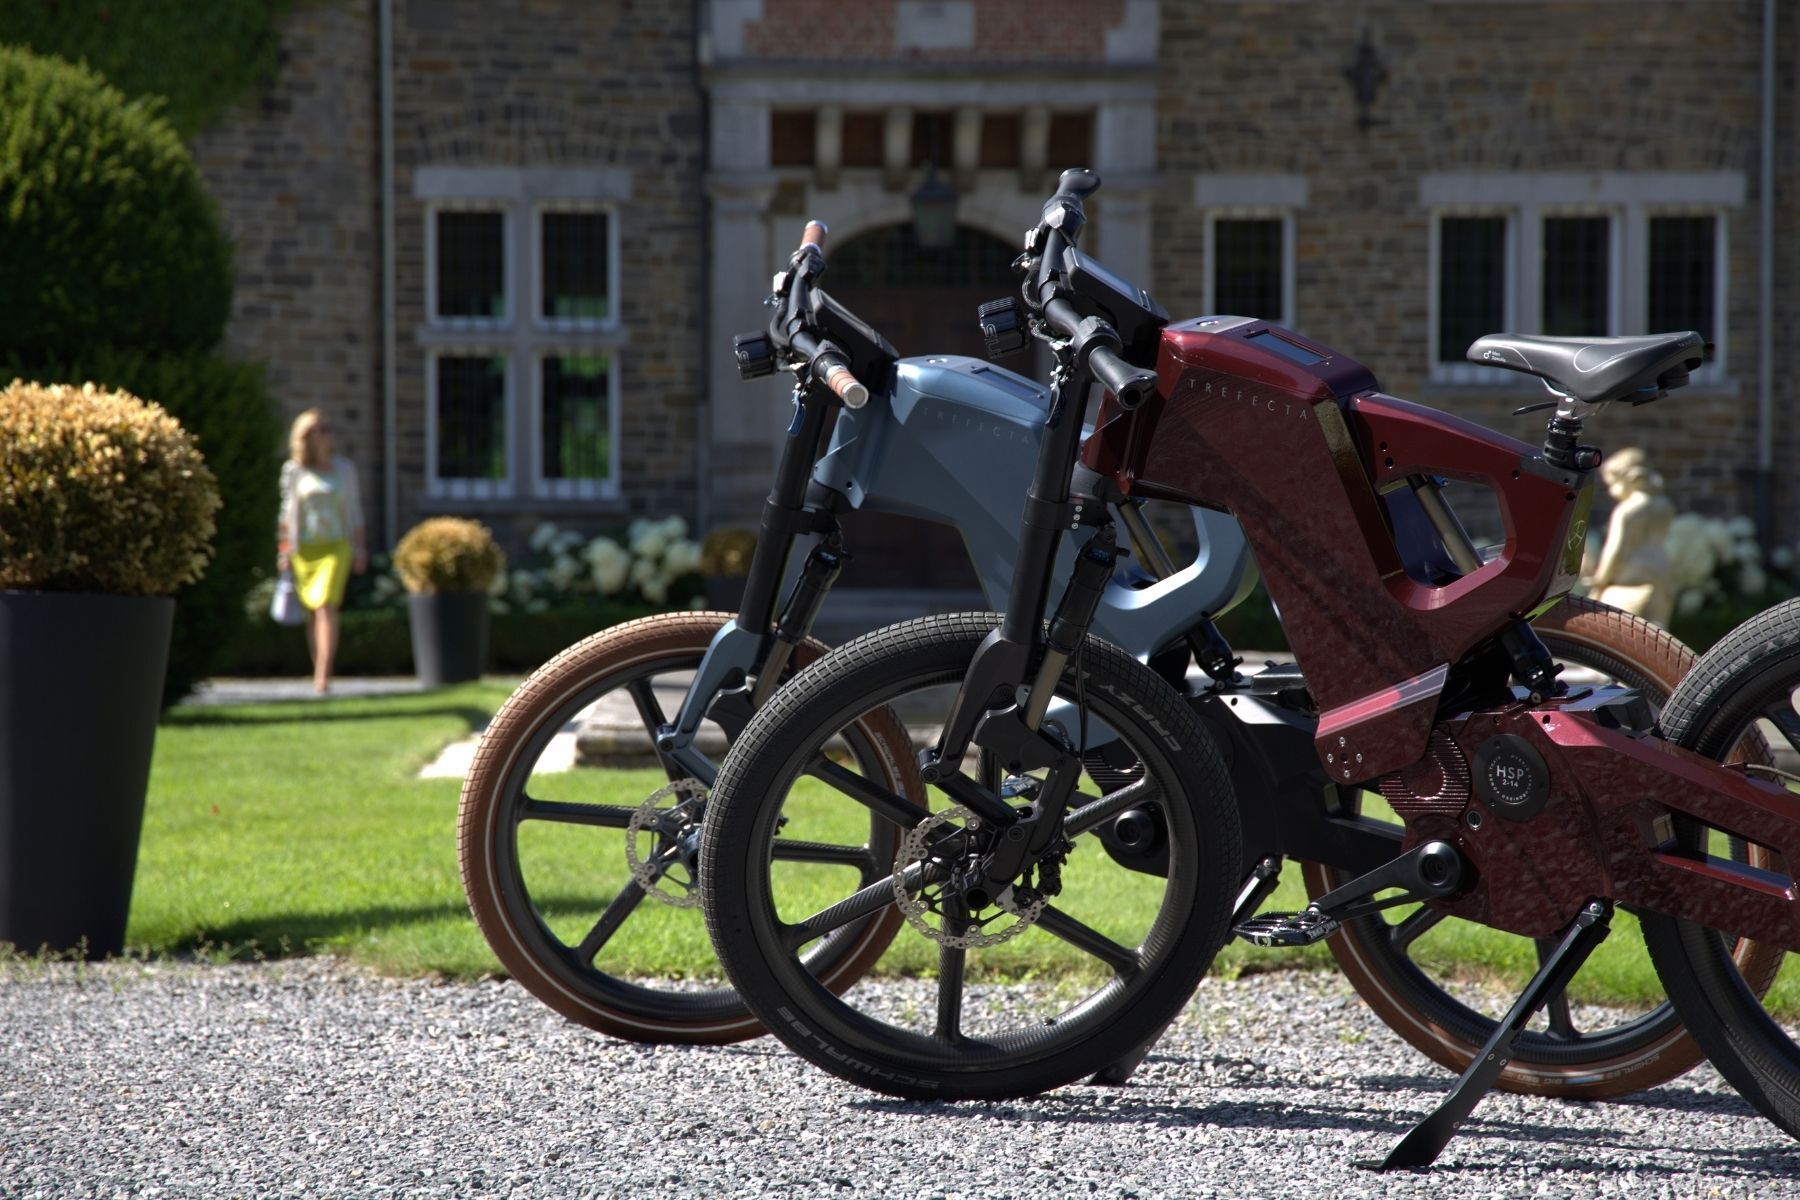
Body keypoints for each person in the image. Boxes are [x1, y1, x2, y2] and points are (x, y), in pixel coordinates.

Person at [276, 410, 367, 692]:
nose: (330, 434)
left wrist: (359, 548)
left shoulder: (344, 469)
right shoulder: (294, 471)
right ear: (308, 436)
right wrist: (284, 551)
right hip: (305, 549)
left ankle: (322, 675)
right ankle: (319, 665)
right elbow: (287, 514)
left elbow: (353, 512)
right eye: (322, 429)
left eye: (329, 428)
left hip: (335, 548)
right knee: (314, 611)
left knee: (326, 605)